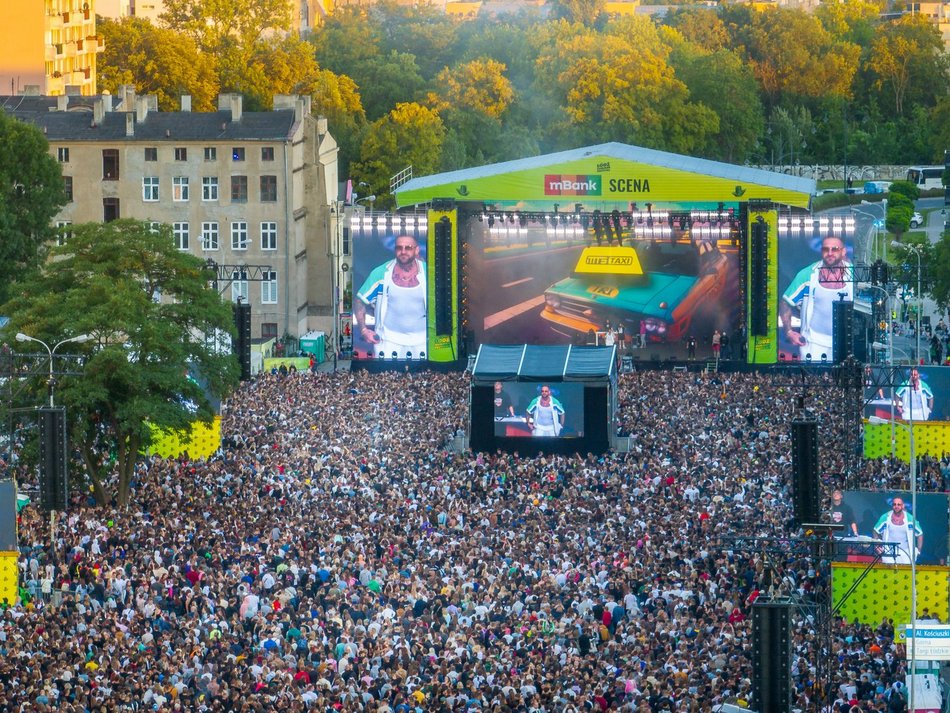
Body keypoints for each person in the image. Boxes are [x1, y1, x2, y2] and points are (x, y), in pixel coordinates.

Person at [780, 235, 853, 361]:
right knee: (813, 379)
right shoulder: (807, 275)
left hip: (847, 343)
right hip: (813, 343)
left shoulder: (854, 274)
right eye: (826, 249)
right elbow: (786, 302)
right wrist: (789, 332)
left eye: (834, 249)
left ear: (843, 251)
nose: (830, 253)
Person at [354, 234, 427, 359]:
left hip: (422, 341)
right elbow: (360, 300)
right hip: (387, 341)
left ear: (416, 250)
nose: (403, 252)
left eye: (408, 248)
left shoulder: (428, 272)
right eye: (399, 248)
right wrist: (364, 330)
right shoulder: (381, 272)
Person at [873, 497, 923, 565]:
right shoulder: (885, 517)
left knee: (905, 572)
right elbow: (875, 531)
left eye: (899, 504)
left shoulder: (910, 519)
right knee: (890, 572)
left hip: (906, 552)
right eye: (894, 504)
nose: (896, 506)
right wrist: (877, 546)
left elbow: (920, 534)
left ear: (903, 506)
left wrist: (919, 550)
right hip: (888, 551)